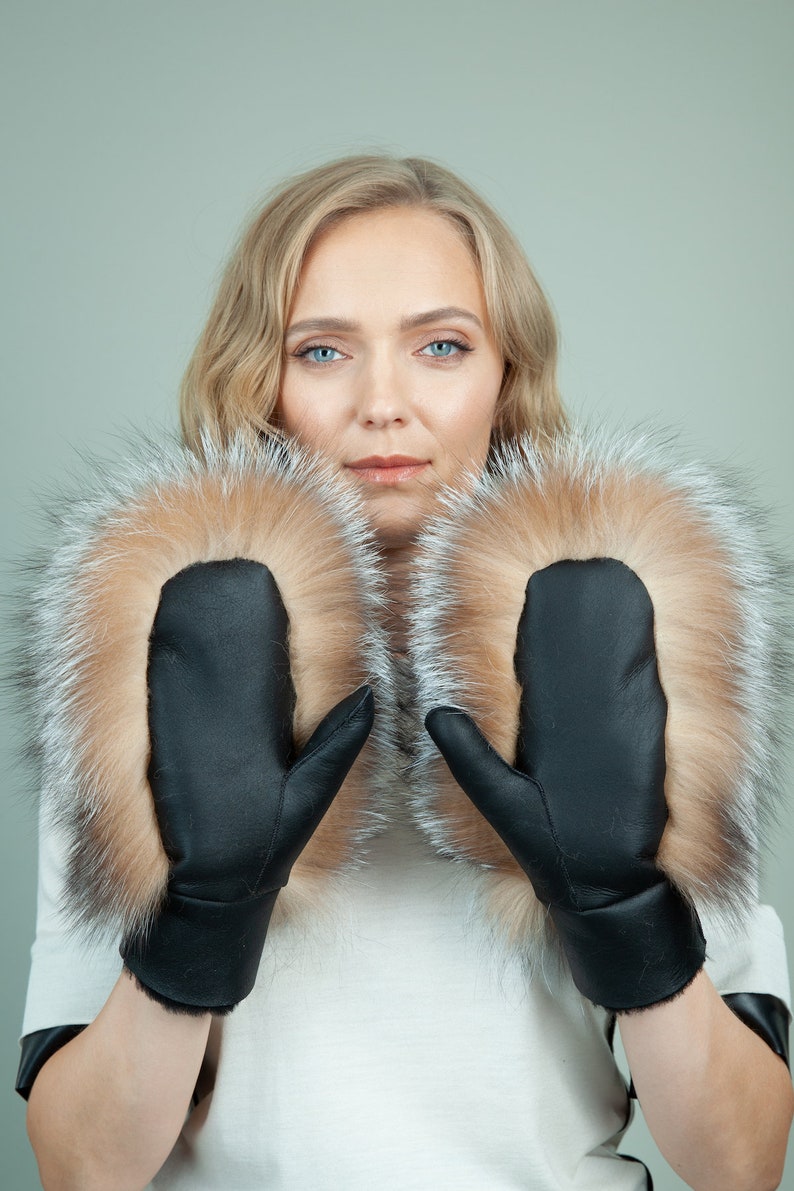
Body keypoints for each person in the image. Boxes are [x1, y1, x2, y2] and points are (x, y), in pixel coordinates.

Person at [16, 154, 794, 1190]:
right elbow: (80, 1169)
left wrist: (623, 914)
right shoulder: (144, 655)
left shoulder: (643, 644)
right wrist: (197, 925)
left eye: (440, 345)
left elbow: (741, 1162)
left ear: (503, 376)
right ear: (261, 378)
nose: (383, 403)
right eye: (323, 349)